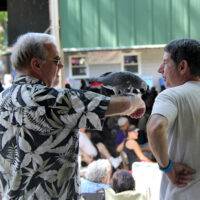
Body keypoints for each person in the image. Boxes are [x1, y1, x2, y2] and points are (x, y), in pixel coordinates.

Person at [0, 32, 146, 199]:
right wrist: (137, 101)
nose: (61, 66)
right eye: (56, 60)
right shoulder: (55, 100)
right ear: (36, 64)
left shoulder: (1, 101)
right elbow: (124, 104)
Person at [147, 38, 200, 200]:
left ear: (182, 66)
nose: (159, 70)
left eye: (165, 63)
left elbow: (155, 128)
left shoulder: (171, 96)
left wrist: (167, 167)